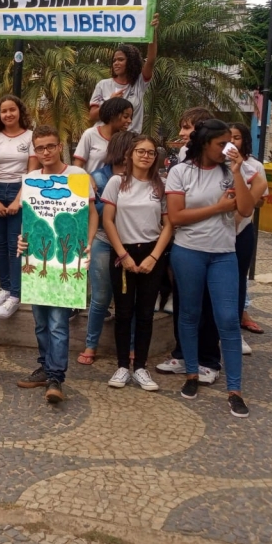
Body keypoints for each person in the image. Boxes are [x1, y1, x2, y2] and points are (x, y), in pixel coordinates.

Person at [166, 119, 254, 418]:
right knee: (189, 314)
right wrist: (217, 208)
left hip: (223, 254)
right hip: (188, 252)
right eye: (222, 143)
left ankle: (235, 389)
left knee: (228, 319)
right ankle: (192, 373)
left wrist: (239, 172)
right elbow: (176, 217)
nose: (230, 148)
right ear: (205, 143)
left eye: (232, 142)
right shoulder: (180, 172)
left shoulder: (231, 172)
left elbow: (245, 209)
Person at [16, 125, 97, 404]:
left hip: (68, 257)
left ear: (60, 145)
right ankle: (44, 366)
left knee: (58, 324)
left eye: (50, 146)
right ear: (34, 150)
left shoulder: (77, 176)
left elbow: (91, 213)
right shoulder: (31, 179)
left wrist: (87, 243)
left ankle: (55, 377)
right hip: (37, 260)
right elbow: (29, 220)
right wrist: (21, 242)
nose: (46, 152)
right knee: (40, 323)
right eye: (40, 148)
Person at [102, 135, 173, 391]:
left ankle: (140, 367)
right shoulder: (117, 183)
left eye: (151, 152)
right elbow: (108, 220)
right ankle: (122, 366)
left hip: (152, 254)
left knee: (145, 313)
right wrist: (123, 254)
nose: (145, 156)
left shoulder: (160, 185)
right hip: (123, 254)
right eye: (141, 151)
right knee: (123, 312)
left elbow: (168, 225)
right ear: (130, 154)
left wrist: (155, 257)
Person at [157, 106, 222, 382]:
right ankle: (183, 355)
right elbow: (176, 211)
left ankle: (209, 360)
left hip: (215, 247)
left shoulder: (222, 165)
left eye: (187, 128)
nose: (181, 133)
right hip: (186, 244)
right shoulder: (183, 160)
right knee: (184, 303)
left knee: (209, 304)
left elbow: (236, 209)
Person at [78, 130, 136, 365]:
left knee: (130, 297)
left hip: (132, 241)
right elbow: (93, 214)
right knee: (101, 296)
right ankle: (91, 344)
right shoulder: (98, 178)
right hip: (103, 239)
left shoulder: (142, 177)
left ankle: (132, 345)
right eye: (134, 150)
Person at [0, 95, 38, 319]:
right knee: (0, 243)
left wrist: (19, 200)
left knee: (16, 244)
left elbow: (32, 171)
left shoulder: (30, 136)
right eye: (3, 111)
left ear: (20, 111)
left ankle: (16, 294)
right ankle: (5, 287)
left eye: (12, 110)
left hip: (20, 190)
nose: (8, 114)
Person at [228, 122, 269, 349]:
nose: (233, 142)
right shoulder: (220, 165)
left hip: (242, 229)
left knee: (239, 280)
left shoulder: (255, 167)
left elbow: (261, 199)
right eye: (229, 137)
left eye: (237, 137)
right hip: (220, 232)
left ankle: (236, 327)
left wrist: (249, 198)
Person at [87, 14, 159, 131]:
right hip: (106, 142)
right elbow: (92, 116)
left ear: (131, 62)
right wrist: (109, 102)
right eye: (114, 60)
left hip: (130, 141)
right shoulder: (103, 85)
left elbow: (151, 60)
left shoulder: (139, 83)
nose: (116, 63)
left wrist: (153, 32)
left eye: (121, 59)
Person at [73, 98, 134, 172]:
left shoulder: (126, 139)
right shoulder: (90, 134)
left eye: (130, 117)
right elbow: (78, 165)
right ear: (113, 115)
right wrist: (88, 180)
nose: (130, 121)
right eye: (125, 116)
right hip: (91, 182)